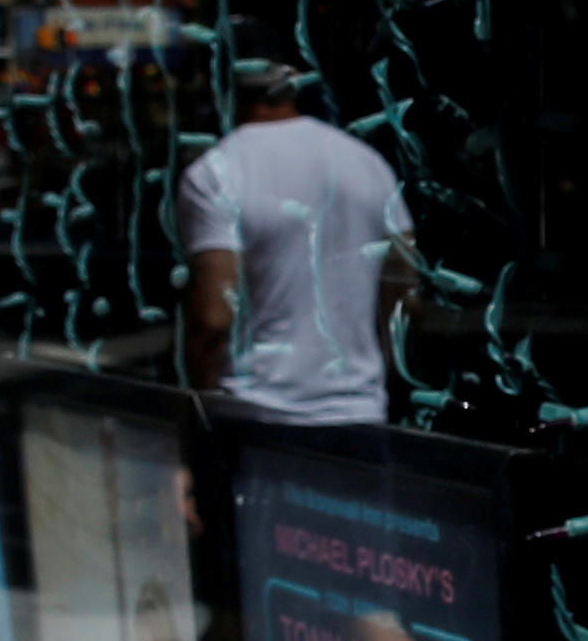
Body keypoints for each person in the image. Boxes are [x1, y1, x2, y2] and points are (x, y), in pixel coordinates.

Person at [174, 59, 421, 426]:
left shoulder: (215, 173)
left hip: (257, 414)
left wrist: (203, 406)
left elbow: (213, 318)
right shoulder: (364, 163)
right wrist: (380, 379)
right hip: (358, 412)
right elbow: (404, 292)